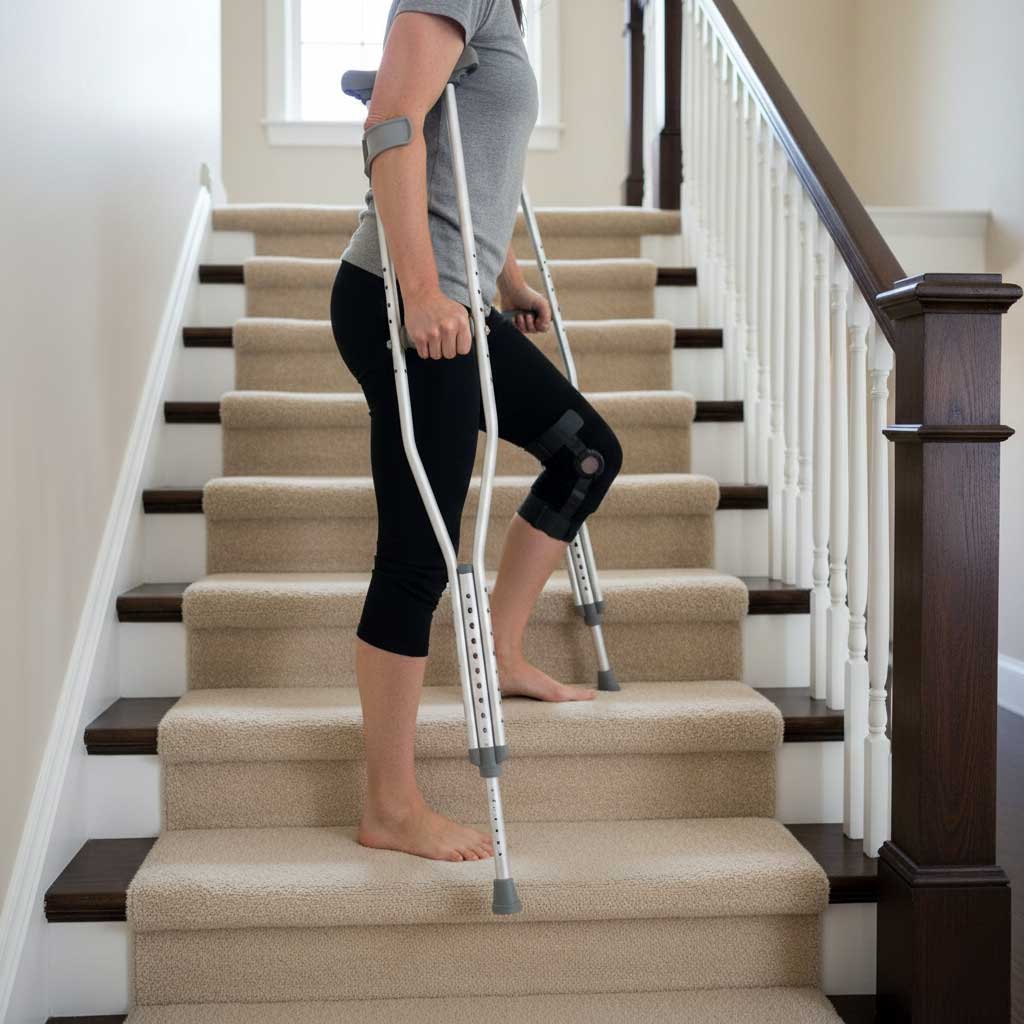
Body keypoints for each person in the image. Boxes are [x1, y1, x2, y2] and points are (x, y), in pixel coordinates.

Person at [329, 0, 623, 864]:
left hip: (461, 296)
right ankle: (388, 804)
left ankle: (496, 647)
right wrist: (424, 292)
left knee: (585, 452)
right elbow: (392, 122)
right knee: (420, 552)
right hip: (405, 299)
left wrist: (509, 278)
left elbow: (474, 162)